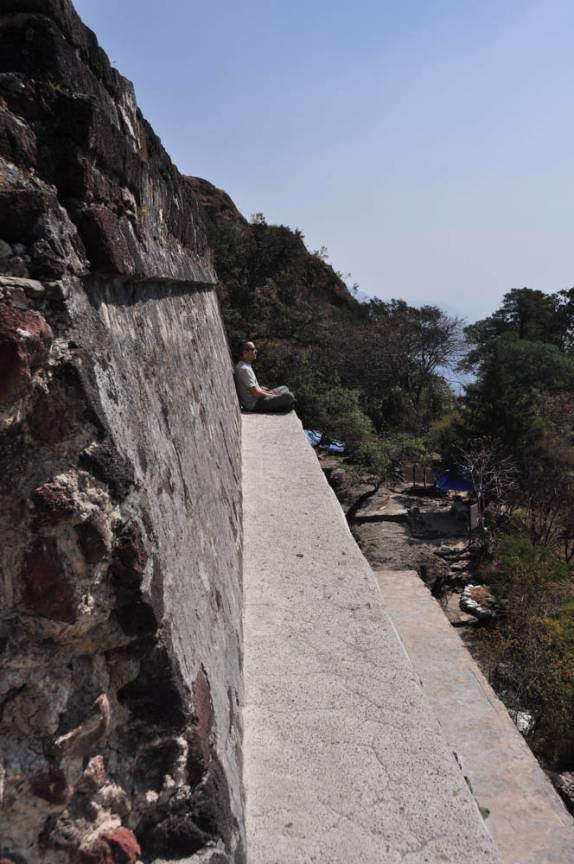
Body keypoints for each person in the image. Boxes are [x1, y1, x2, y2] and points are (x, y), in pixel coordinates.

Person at [234, 341, 296, 413]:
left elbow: (255, 389)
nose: (256, 351)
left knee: (284, 388)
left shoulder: (245, 365)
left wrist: (269, 392)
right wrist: (271, 396)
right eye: (253, 349)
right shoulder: (244, 369)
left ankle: (284, 405)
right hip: (254, 404)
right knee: (290, 396)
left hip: (258, 398)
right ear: (245, 352)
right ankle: (284, 405)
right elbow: (255, 393)